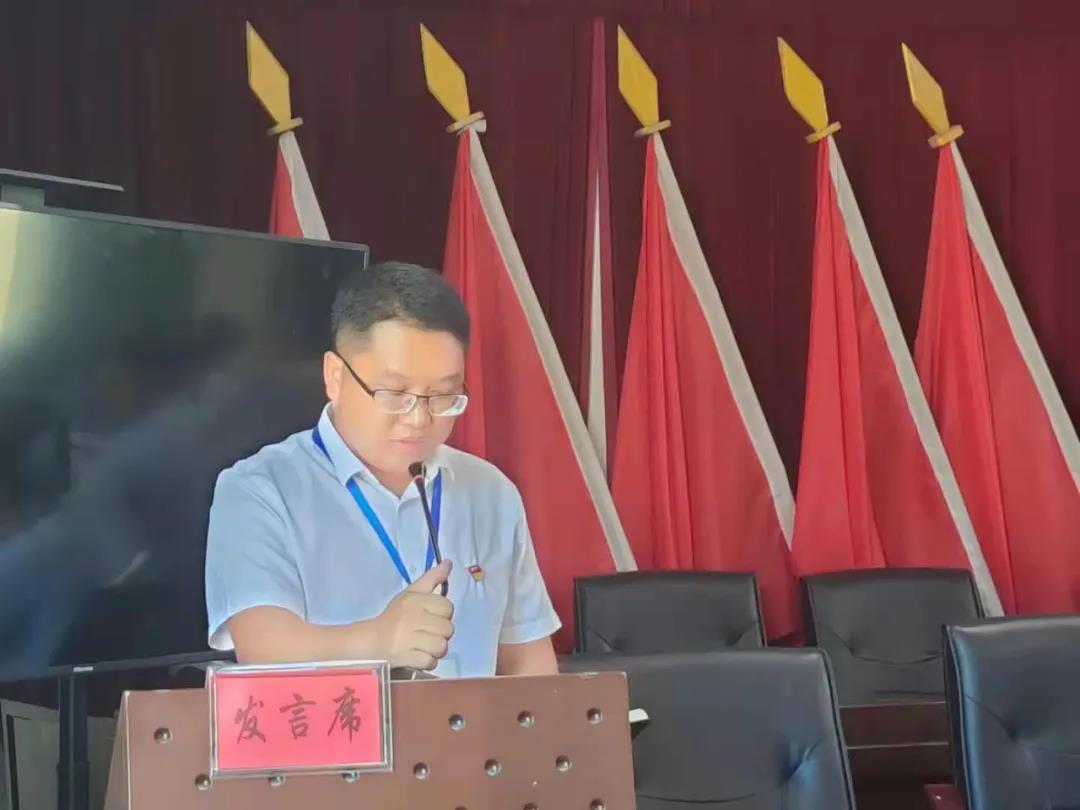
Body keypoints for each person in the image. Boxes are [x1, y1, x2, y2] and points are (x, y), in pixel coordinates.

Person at [204, 262, 560, 677]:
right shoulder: (260, 489)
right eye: (395, 393)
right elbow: (263, 648)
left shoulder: (490, 492)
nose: (419, 418)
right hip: (338, 722)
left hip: (471, 722)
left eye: (443, 396)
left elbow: (527, 661)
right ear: (335, 377)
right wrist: (379, 640)